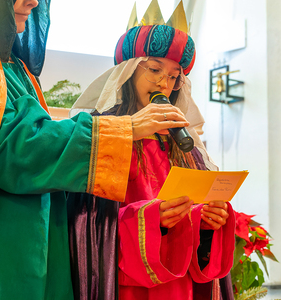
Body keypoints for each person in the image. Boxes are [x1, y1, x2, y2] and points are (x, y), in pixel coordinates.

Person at [0, 1, 188, 299]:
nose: (34, 2)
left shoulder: (15, 68)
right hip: (4, 249)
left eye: (173, 76)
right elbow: (14, 144)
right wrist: (124, 129)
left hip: (45, 248)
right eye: (154, 69)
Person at [69, 3, 236, 300]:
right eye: (155, 69)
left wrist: (208, 219)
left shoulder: (182, 142)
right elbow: (87, 223)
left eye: (174, 76)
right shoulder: (105, 133)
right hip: (127, 284)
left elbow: (195, 208)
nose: (164, 83)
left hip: (179, 284)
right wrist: (149, 220)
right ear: (129, 71)